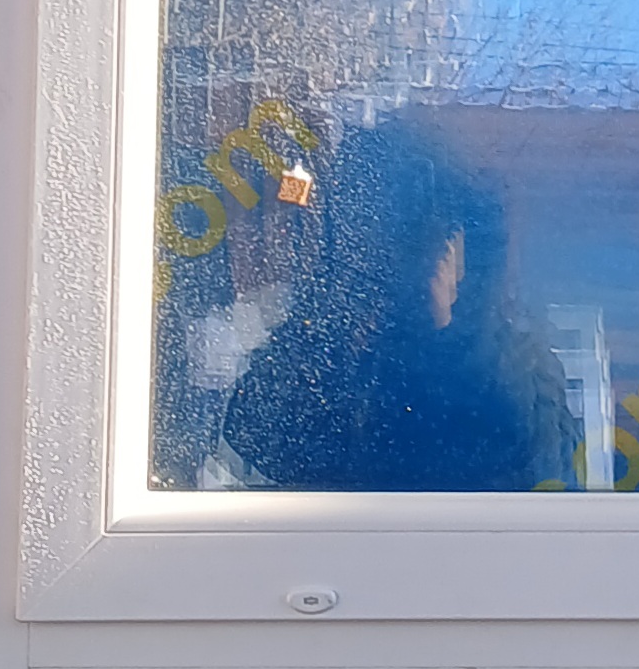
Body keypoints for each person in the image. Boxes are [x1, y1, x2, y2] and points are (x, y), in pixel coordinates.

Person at [221, 117, 572, 492]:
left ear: (459, 245)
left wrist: (451, 335)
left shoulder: (513, 357)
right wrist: (335, 312)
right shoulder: (336, 330)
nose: (395, 250)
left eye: (413, 228)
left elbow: (528, 456)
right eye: (374, 224)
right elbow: (252, 432)